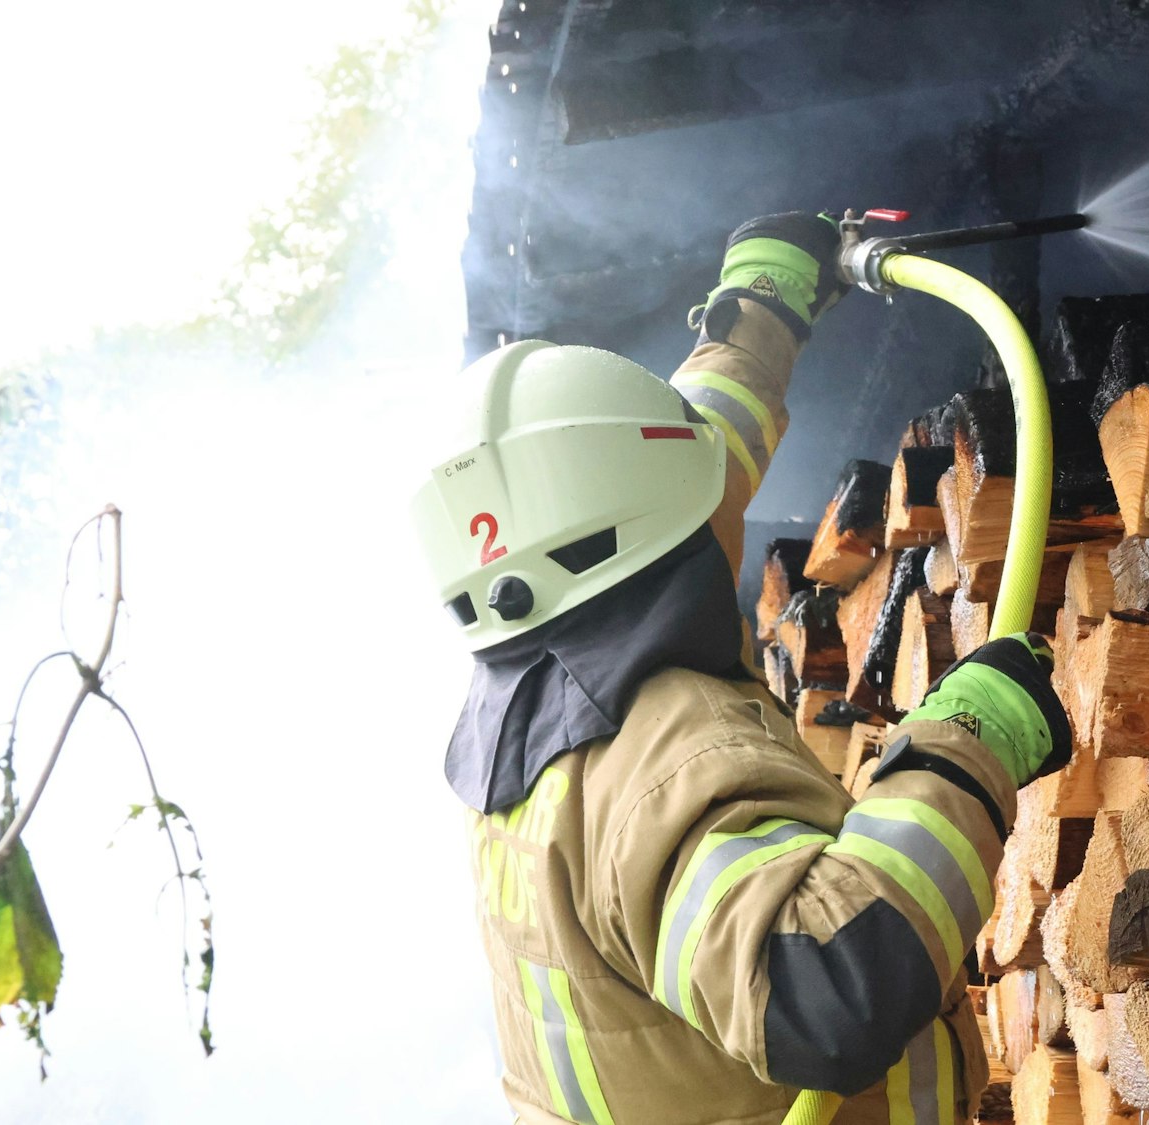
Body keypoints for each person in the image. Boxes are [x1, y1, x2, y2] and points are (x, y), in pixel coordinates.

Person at [412, 212, 1073, 1124]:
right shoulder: (662, 763)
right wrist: (967, 742)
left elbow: (682, 456)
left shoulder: (535, 699)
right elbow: (826, 987)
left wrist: (761, 307)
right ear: (647, 522)